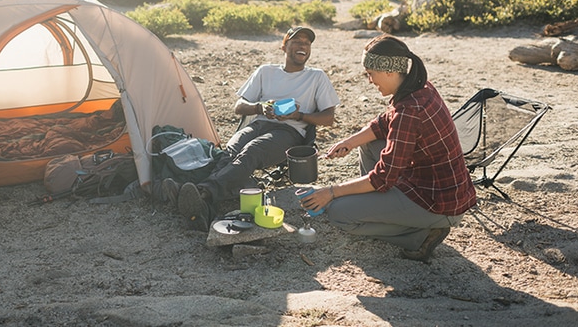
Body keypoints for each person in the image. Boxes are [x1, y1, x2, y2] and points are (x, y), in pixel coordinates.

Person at [301, 34, 476, 262]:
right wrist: (349, 142)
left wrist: (332, 192)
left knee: (339, 213)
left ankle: (417, 236)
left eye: (371, 74)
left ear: (389, 72)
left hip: (439, 205)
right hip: (433, 186)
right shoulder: (419, 87)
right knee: (368, 142)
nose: (370, 81)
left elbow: (382, 178)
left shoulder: (409, 111)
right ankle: (380, 206)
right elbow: (383, 123)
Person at [167, 26, 340, 231]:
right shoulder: (266, 71)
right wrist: (261, 107)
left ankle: (202, 192)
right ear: (284, 46)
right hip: (259, 123)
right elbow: (238, 107)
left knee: (252, 151)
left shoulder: (316, 77)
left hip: (289, 132)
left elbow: (329, 118)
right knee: (230, 151)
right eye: (297, 42)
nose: (303, 46)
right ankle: (201, 202)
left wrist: (298, 115)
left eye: (307, 43)